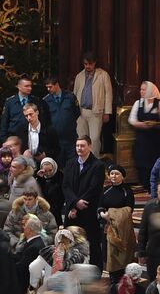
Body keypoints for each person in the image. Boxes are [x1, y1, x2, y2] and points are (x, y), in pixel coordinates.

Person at [62, 136, 106, 269]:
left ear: (90, 146)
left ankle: (95, 270)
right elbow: (66, 186)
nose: (79, 148)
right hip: (72, 210)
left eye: (82, 146)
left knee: (91, 242)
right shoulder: (70, 163)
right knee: (70, 241)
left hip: (88, 210)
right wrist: (74, 203)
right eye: (77, 146)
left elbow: (94, 188)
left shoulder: (97, 165)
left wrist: (77, 206)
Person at [128, 82, 160, 192]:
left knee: (154, 162)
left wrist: (155, 124)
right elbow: (131, 119)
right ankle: (144, 184)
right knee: (142, 162)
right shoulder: (138, 103)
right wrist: (141, 124)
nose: (141, 92)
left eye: (144, 90)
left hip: (156, 139)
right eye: (141, 89)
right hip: (141, 139)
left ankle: (155, 186)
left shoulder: (159, 103)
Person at [73, 52, 113, 157]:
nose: (88, 66)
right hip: (81, 112)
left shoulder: (103, 75)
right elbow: (74, 94)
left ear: (95, 63)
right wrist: (74, 110)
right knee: (81, 138)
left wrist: (107, 112)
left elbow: (108, 94)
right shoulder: (79, 76)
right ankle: (83, 160)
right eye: (85, 64)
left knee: (94, 139)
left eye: (90, 64)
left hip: (96, 112)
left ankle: (94, 161)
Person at [99, 164, 136, 279]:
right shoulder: (105, 190)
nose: (114, 176)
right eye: (111, 173)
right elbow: (100, 205)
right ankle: (113, 279)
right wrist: (102, 214)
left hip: (122, 228)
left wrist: (111, 214)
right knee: (108, 254)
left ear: (122, 176)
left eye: (117, 174)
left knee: (122, 254)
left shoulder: (127, 191)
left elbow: (129, 210)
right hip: (107, 226)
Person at [43, 75, 80, 167]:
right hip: (56, 140)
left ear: (57, 85)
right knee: (58, 165)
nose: (48, 89)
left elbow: (77, 112)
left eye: (50, 87)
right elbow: (46, 119)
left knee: (73, 164)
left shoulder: (70, 97)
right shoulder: (46, 100)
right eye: (47, 87)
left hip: (70, 138)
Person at [0, 75, 47, 143]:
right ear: (19, 87)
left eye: (30, 86)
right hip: (14, 137)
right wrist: (4, 140)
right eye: (26, 86)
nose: (30, 88)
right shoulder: (10, 102)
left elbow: (41, 119)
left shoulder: (35, 101)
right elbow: (4, 122)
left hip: (31, 136)